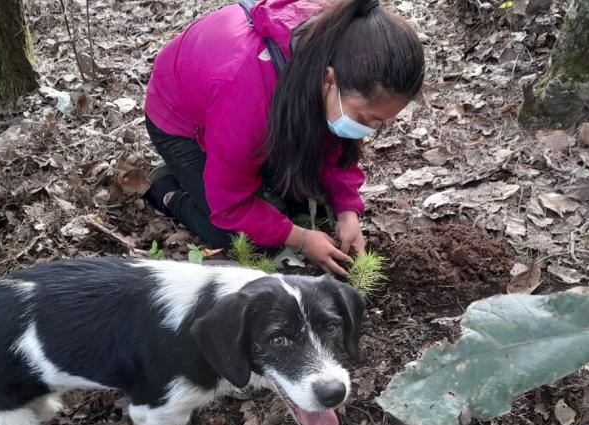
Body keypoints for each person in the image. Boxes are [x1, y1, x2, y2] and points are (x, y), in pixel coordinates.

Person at [143, 0, 424, 276]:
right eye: (365, 119)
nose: (371, 129)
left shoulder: (343, 45)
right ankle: (166, 188)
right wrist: (301, 239)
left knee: (306, 200)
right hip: (181, 123)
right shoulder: (246, 95)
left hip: (246, 113)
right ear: (328, 80)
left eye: (380, 121)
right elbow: (229, 205)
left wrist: (347, 210)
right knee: (235, 236)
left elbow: (334, 145)